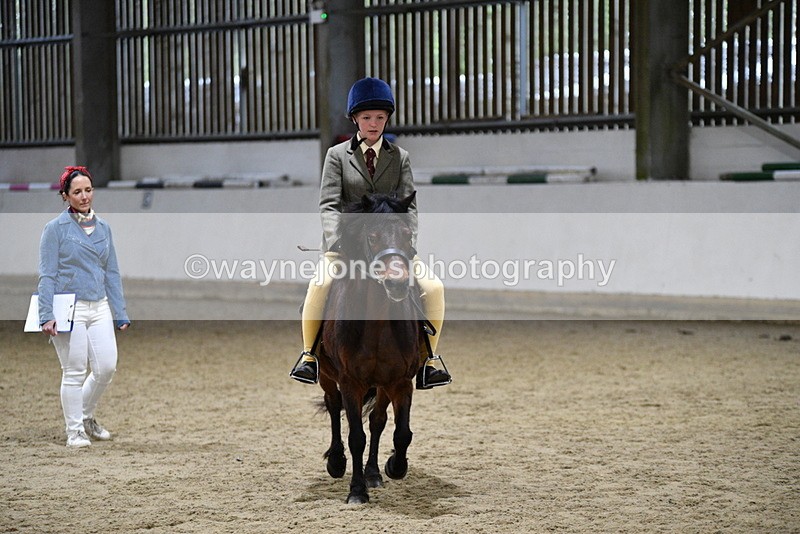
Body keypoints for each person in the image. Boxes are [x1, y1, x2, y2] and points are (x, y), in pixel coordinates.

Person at [289, 77, 452, 389]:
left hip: (392, 248)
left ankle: (429, 359)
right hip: (346, 248)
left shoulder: (400, 158)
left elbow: (410, 206)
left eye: (379, 117)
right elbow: (329, 203)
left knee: (433, 288)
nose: (373, 124)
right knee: (319, 285)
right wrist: (339, 241)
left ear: (387, 118)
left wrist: (407, 243)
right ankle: (309, 355)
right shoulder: (337, 157)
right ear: (355, 119)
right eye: (366, 118)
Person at [38, 166, 130, 448]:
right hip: (69, 307)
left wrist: (120, 310)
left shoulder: (104, 228)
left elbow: (111, 271)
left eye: (88, 190)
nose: (84, 196)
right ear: (65, 196)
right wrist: (46, 315)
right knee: (75, 370)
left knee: (106, 368)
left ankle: (86, 416)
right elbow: (47, 274)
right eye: (77, 192)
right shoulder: (54, 230)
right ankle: (74, 430)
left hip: (99, 305)